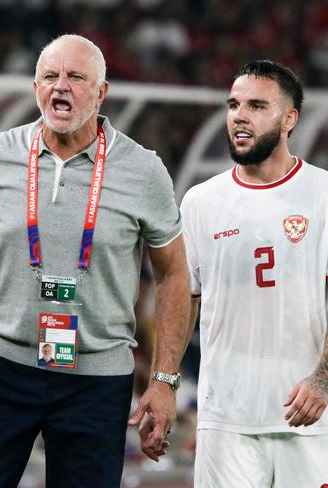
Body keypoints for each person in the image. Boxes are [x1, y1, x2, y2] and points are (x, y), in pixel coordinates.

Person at [0, 34, 190, 487]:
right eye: (50, 76)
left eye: (75, 77)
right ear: (35, 87)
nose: (61, 87)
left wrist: (165, 380)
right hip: (1, 366)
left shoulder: (143, 170)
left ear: (101, 92)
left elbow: (173, 274)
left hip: (97, 378)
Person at [180, 60, 328, 487]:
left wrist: (322, 380)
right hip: (226, 421)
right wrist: (165, 382)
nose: (239, 116)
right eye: (233, 104)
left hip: (310, 416)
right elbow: (184, 296)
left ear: (289, 118)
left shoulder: (321, 195)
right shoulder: (200, 201)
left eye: (257, 105)